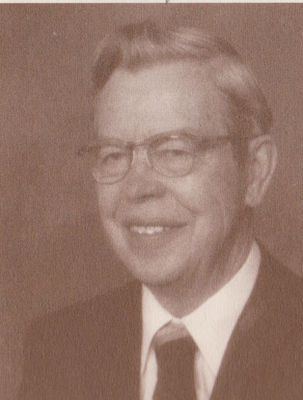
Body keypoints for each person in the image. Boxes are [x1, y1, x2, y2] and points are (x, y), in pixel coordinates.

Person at [19, 21, 303, 400]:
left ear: (254, 170)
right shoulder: (59, 349)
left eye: (174, 151)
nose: (138, 188)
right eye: (113, 154)